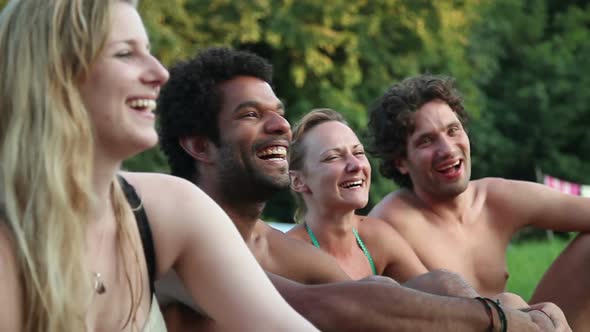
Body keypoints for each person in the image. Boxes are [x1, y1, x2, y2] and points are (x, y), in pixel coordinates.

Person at [156, 46, 571, 331]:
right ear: (199, 145)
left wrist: (513, 310)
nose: (282, 126)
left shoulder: (281, 249)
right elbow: (329, 309)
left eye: (279, 114)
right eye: (250, 114)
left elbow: (376, 294)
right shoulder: (174, 233)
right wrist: (494, 319)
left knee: (440, 288)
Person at [0, 1, 318, 331]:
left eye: (149, 51)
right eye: (125, 53)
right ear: (55, 74)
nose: (159, 73)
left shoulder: (167, 211)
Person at [367, 73, 590, 331]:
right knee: (509, 301)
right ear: (401, 162)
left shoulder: (494, 198)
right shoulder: (387, 224)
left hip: (521, 325)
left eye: (452, 131)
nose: (448, 149)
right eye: (426, 141)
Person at [286, 108, 428, 281]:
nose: (356, 165)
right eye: (333, 157)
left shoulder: (375, 237)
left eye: (358, 153)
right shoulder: (288, 254)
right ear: (298, 181)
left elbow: (435, 290)